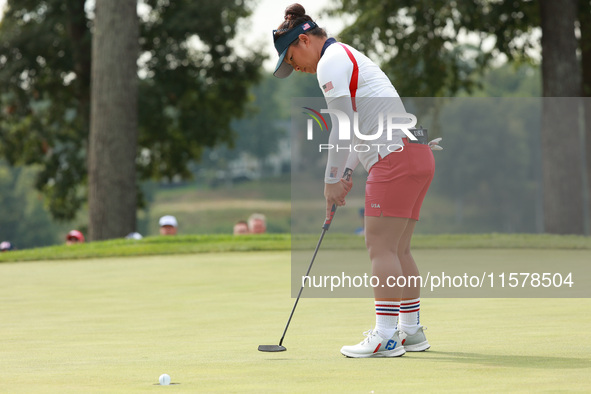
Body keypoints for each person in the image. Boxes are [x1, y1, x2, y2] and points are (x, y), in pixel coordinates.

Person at [273, 4, 441, 358]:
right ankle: (410, 331)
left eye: (292, 57)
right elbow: (359, 129)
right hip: (416, 154)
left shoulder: (331, 63)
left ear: (304, 40)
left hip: (394, 159)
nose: (296, 68)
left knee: (379, 248)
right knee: (399, 249)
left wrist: (331, 180)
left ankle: (385, 336)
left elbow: (342, 127)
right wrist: (347, 172)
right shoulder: (347, 55)